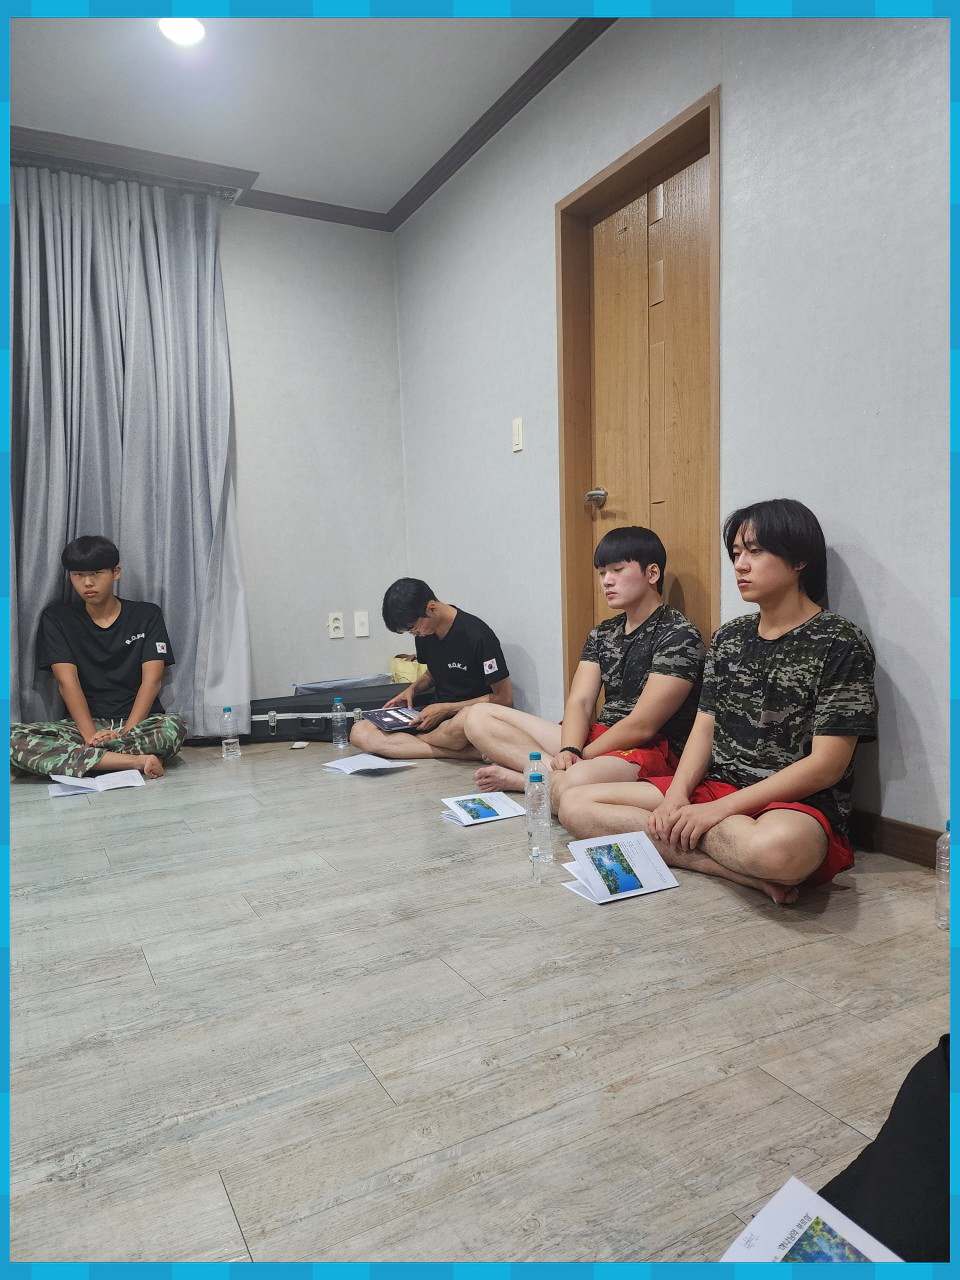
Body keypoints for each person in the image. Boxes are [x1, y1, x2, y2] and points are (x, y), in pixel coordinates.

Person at [559, 499, 877, 904]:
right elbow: (705, 726)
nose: (740, 565)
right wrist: (678, 794)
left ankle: (706, 848)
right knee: (574, 803)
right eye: (736, 554)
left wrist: (716, 812)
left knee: (778, 851)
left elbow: (827, 765)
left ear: (800, 560)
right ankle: (731, 871)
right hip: (716, 785)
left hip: (793, 804)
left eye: (754, 551)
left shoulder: (840, 641)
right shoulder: (730, 637)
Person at [462, 526, 704, 812]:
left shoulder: (678, 635)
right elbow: (580, 701)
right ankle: (547, 777)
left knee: (572, 783)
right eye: (602, 573)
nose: (607, 581)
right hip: (599, 736)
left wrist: (583, 755)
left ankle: (531, 780)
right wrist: (568, 750)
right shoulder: (603, 633)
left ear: (652, 574)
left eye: (617, 570)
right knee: (477, 717)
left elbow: (642, 725)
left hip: (648, 749)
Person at [10, 535, 187, 780]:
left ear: (116, 573)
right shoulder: (57, 619)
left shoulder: (146, 614)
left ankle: (85, 760)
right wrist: (91, 736)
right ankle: (135, 761)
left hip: (140, 724)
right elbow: (66, 682)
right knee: (10, 738)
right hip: (84, 726)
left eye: (96, 573)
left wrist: (125, 733)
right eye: (78, 575)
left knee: (174, 727)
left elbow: (152, 680)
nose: (87, 582)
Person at [348, 577, 513, 760]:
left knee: (461, 725)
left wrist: (447, 709)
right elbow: (434, 672)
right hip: (434, 714)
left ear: (431, 608)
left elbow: (504, 697)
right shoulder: (425, 635)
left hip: (465, 715)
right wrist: (412, 690)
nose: (415, 634)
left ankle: (411, 744)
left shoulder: (478, 636)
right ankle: (464, 753)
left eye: (414, 628)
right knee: (360, 731)